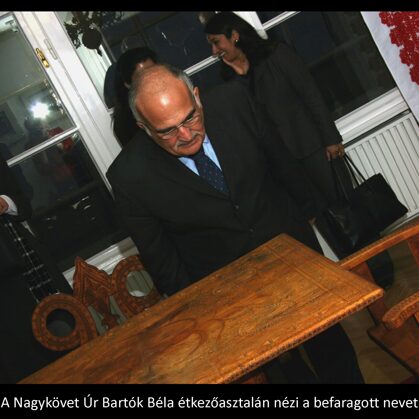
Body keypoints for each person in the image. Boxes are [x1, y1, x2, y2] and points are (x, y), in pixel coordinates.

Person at [106, 63, 364, 383]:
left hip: (291, 252)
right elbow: (164, 263)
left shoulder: (235, 103)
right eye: (167, 131)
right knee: (279, 373)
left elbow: (282, 163)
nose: (185, 135)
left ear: (196, 96)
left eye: (190, 118)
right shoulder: (129, 177)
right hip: (227, 291)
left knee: (332, 348)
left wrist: (309, 215)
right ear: (143, 127)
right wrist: (205, 310)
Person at [204, 12, 394, 287]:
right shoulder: (229, 80)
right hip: (285, 167)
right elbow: (251, 121)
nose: (213, 51)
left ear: (234, 35)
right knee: (327, 225)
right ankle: (359, 283)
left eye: (216, 42)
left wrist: (330, 138)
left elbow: (311, 93)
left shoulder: (276, 54)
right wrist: (240, 76)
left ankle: (383, 272)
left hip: (315, 148)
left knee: (350, 214)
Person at [0, 154, 72, 383]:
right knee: (24, 360)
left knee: (68, 330)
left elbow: (23, 202)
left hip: (27, 259)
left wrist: (5, 203)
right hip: (7, 293)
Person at [108, 47, 158, 147]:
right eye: (143, 76)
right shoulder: (126, 123)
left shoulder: (176, 94)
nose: (152, 79)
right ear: (128, 84)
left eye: (154, 72)